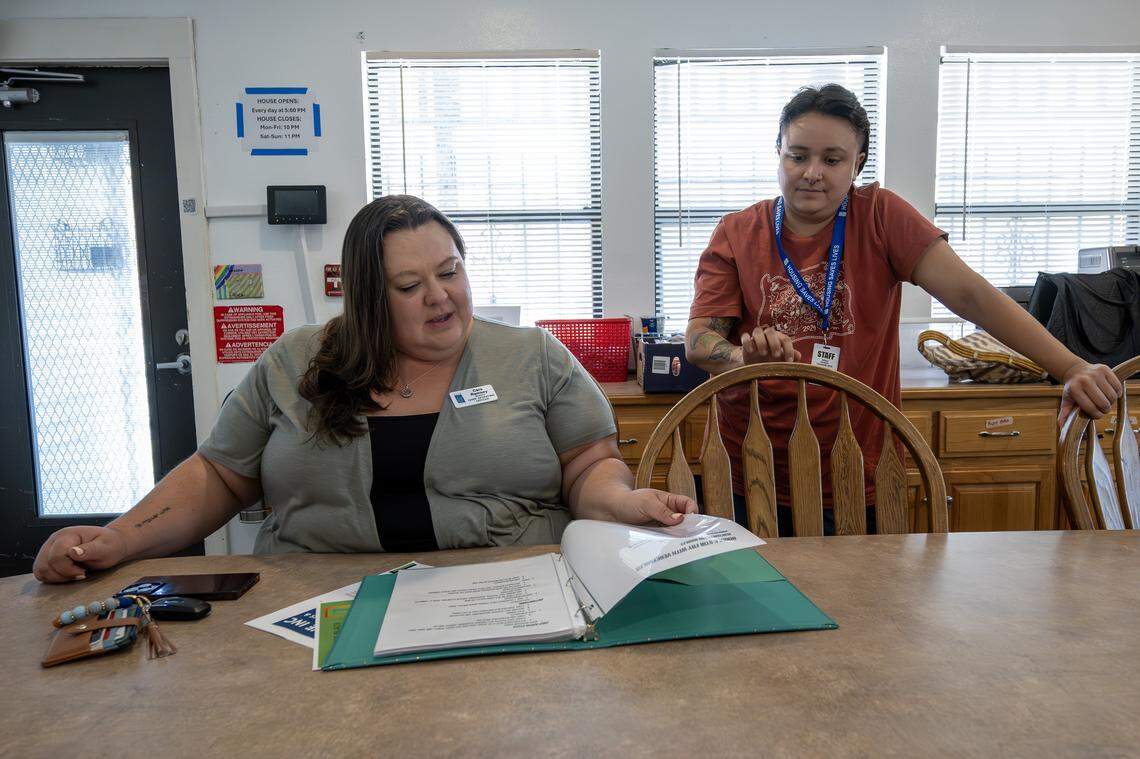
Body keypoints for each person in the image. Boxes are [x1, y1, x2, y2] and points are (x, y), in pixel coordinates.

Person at [34, 195, 696, 583]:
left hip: (505, 590)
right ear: (366, 299)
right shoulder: (295, 360)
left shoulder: (533, 356)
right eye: (410, 287)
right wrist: (117, 539)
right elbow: (220, 475)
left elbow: (589, 465)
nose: (440, 298)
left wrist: (620, 500)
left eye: (450, 272)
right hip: (317, 602)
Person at [685, 84, 1123, 535]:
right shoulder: (737, 231)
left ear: (857, 164)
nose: (812, 172)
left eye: (832, 159)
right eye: (798, 156)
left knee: (860, 602)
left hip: (859, 467)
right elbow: (699, 341)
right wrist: (742, 359)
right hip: (748, 468)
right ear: (778, 153)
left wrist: (1070, 366)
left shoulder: (880, 216)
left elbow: (971, 295)